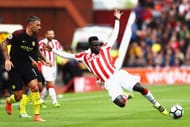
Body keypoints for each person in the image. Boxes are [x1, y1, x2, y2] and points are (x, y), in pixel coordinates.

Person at [44, 9, 168, 115]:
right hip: (109, 82)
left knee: (140, 88)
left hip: (118, 74)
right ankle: (124, 97)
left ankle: (156, 104)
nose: (98, 46)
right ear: (91, 46)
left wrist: (117, 20)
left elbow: (114, 36)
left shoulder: (104, 48)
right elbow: (68, 55)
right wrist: (53, 50)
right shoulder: (84, 56)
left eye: (98, 44)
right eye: (95, 45)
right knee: (121, 104)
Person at [0, 16, 51, 122]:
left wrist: (45, 60)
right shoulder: (18, 34)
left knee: (35, 87)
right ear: (30, 25)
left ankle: (37, 115)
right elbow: (3, 43)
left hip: (27, 66)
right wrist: (7, 59)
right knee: (18, 96)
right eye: (38, 25)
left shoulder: (34, 38)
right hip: (15, 67)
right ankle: (9, 101)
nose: (40, 27)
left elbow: (36, 52)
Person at [38, 30, 62, 108]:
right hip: (45, 66)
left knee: (48, 85)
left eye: (52, 34)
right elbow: (37, 53)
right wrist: (45, 61)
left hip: (54, 66)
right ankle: (55, 101)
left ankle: (41, 100)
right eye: (49, 34)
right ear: (46, 35)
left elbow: (60, 51)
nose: (51, 35)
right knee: (50, 83)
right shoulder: (42, 43)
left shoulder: (56, 42)